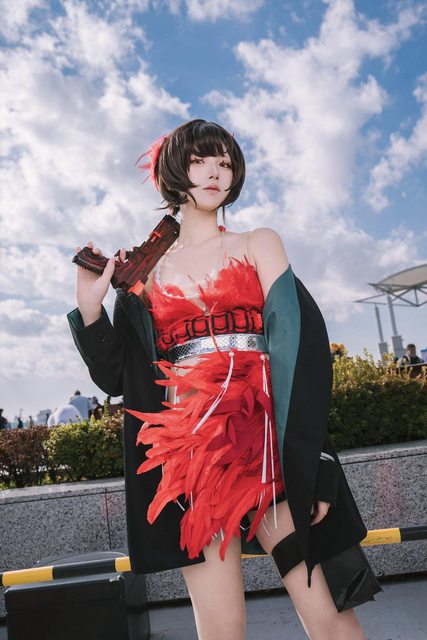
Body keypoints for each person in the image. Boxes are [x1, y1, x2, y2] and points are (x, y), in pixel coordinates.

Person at [68, 119, 380, 639]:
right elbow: (117, 379)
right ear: (173, 170)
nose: (214, 172)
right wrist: (90, 308)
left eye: (225, 163)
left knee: (329, 617)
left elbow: (301, 353)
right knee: (221, 629)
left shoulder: (259, 243)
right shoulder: (144, 273)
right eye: (199, 161)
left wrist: (316, 463)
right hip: (193, 463)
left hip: (269, 451)